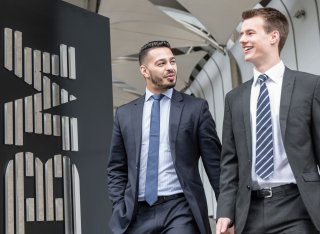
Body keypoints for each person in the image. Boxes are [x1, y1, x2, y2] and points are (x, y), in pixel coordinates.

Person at [216, 7, 320, 234]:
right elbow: (229, 163)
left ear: (274, 36)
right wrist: (225, 210)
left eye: (250, 33)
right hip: (249, 212)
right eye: (242, 34)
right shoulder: (235, 98)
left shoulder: (310, 87)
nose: (242, 40)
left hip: (297, 208)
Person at [107, 40, 221, 234]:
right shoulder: (125, 114)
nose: (170, 68)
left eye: (172, 61)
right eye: (161, 63)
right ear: (144, 71)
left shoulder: (196, 108)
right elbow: (116, 167)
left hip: (180, 209)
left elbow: (216, 165)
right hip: (136, 214)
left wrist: (228, 212)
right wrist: (120, 205)